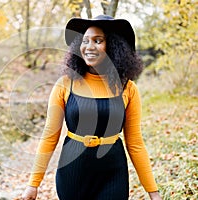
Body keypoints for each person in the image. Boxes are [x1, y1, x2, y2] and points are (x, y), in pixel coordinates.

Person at [22, 15, 162, 200]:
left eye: (98, 41)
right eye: (85, 40)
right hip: (72, 174)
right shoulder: (65, 84)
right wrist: (33, 184)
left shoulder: (128, 88)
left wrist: (153, 192)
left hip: (113, 174)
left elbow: (135, 144)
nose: (89, 46)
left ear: (112, 46)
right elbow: (49, 137)